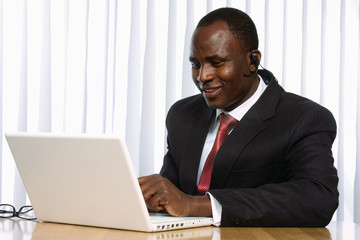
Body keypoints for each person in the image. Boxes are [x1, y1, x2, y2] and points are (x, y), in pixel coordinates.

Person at [138, 7, 338, 227]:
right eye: (196, 65)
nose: (203, 76)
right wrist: (153, 198)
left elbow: (318, 197)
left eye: (217, 63)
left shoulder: (305, 118)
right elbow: (173, 194)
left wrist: (196, 205)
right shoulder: (182, 115)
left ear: (252, 61)